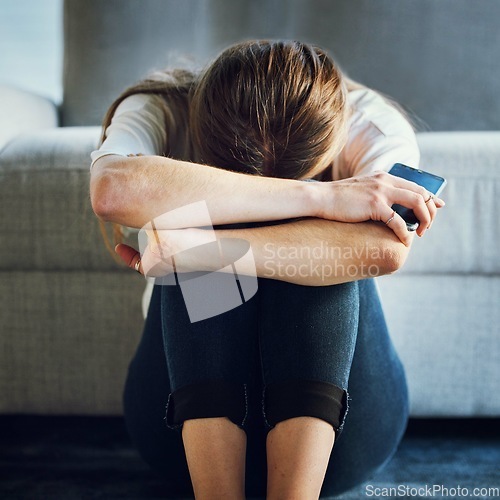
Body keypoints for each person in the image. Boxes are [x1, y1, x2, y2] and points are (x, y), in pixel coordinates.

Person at [89, 40, 444, 499]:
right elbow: (112, 190)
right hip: (178, 427)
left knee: (319, 255)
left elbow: (386, 248)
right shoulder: (161, 108)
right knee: (212, 235)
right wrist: (321, 197)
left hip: (344, 434)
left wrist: (199, 250)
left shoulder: (368, 120)